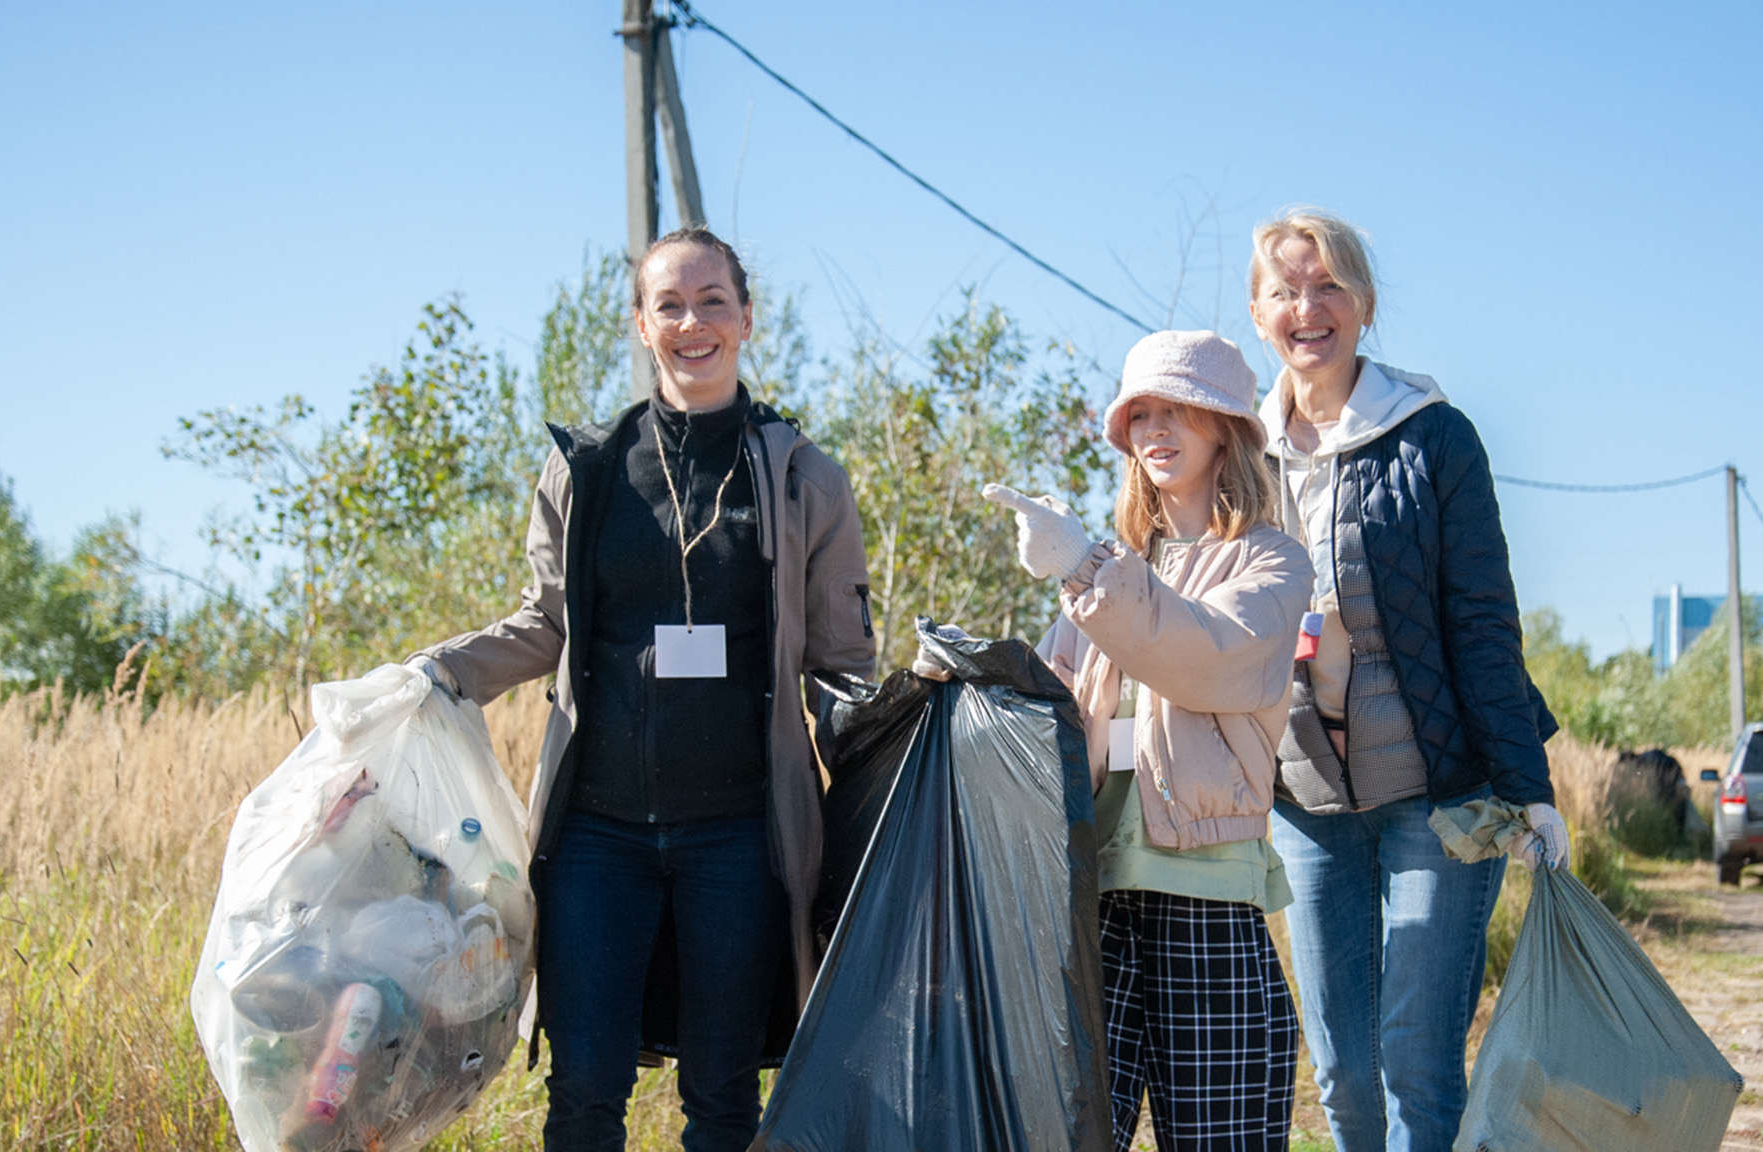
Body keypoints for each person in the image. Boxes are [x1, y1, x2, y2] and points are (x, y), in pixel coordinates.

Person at [406, 227, 875, 1152]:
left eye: (711, 301)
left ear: (746, 317)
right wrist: (430, 674)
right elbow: (543, 624)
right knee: (584, 1090)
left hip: (742, 837)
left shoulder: (801, 477)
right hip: (596, 836)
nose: (691, 321)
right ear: (639, 323)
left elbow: (839, 668)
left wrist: (918, 739)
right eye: (669, 304)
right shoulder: (587, 469)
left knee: (723, 1097)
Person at [1247, 208, 1566, 1152]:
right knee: (1342, 1073)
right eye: (1283, 291)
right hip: (1303, 803)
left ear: (1365, 304)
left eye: (1327, 285)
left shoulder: (1431, 438)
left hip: (1439, 796)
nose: (1307, 307)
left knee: (1415, 1064)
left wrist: (1528, 791)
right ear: (1256, 313)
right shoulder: (1240, 455)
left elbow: (1480, 623)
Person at [979, 330, 1315, 1152]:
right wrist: (965, 683)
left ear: (1226, 428)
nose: (1154, 431)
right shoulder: (1110, 572)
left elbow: (1197, 655)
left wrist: (1084, 569)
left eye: (1177, 412)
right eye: (1139, 416)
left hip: (1205, 893)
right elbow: (1052, 712)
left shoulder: (1270, 565)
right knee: (1064, 1139)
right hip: (1097, 895)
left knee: (1219, 1142)